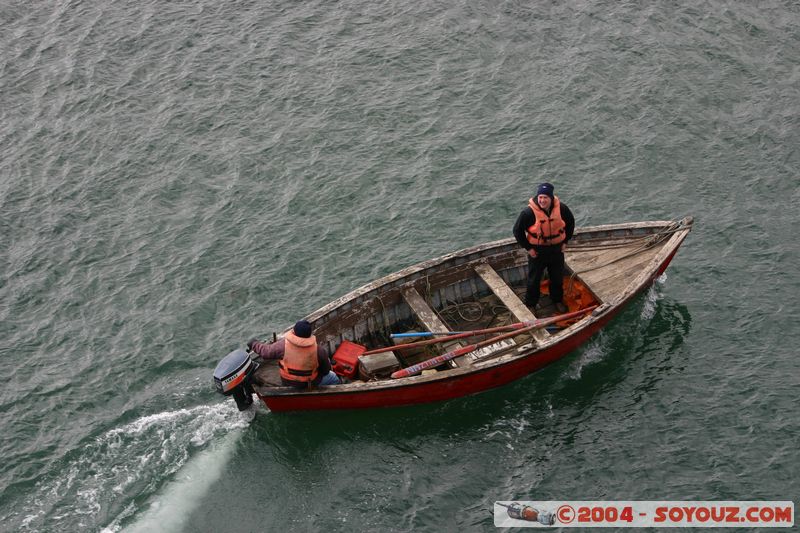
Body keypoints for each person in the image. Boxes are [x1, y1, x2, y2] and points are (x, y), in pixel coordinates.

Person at [512, 182, 575, 314]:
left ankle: (557, 300)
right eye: (540, 197)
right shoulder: (528, 213)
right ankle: (531, 304)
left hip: (557, 250)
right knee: (534, 279)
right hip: (537, 252)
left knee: (557, 277)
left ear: (551, 198)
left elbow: (570, 223)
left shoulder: (562, 209)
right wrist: (528, 248)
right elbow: (517, 231)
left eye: (545, 197)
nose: (542, 200)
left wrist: (565, 241)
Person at [247, 320, 341, 388]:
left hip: (287, 381)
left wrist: (254, 343)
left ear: (294, 332)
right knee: (334, 378)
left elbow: (266, 352)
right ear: (309, 334)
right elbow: (325, 371)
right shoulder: (319, 350)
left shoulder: (283, 345)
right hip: (309, 383)